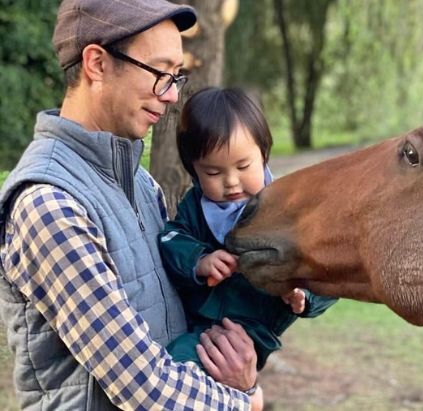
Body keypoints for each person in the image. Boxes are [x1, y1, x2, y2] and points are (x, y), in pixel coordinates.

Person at [0, 1, 262, 409]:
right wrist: (245, 401)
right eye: (160, 74)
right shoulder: (49, 204)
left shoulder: (141, 184)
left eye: (176, 76)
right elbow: (142, 386)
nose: (173, 95)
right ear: (97, 63)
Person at [159, 87, 338, 379]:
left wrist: (304, 296)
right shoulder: (197, 205)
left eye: (243, 166)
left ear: (263, 154)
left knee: (180, 364)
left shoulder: (286, 209)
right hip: (195, 318)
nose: (231, 182)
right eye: (213, 173)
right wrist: (199, 260)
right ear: (194, 171)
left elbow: (327, 268)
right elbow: (170, 238)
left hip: (251, 330)